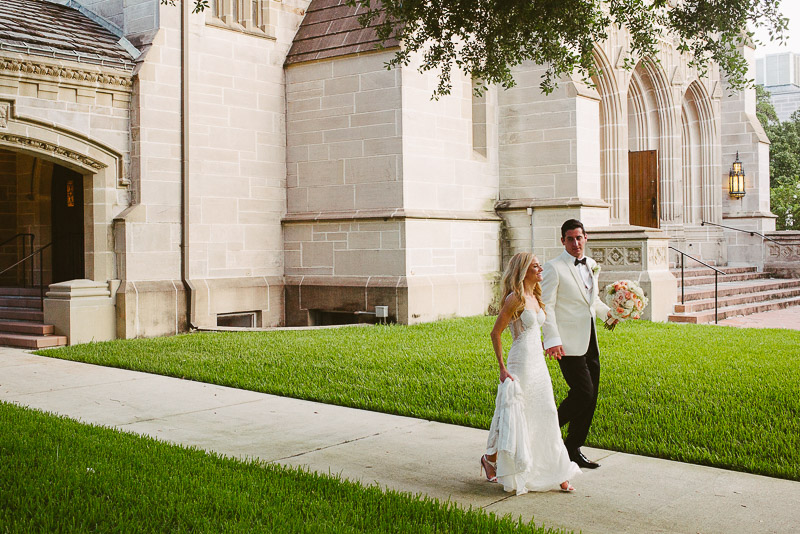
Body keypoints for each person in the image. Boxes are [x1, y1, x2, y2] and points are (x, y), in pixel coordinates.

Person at [480, 252, 581, 495]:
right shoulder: (515, 299)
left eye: (540, 266)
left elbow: (539, 329)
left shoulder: (537, 297)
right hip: (520, 362)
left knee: (546, 412)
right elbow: (496, 333)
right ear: (524, 271)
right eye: (536, 267)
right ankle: (491, 459)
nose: (540, 270)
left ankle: (559, 471)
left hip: (538, 363)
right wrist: (502, 368)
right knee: (515, 415)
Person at [541, 219, 616, 469]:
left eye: (579, 238)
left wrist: (610, 315)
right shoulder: (554, 268)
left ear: (586, 238)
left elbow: (589, 302)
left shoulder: (592, 265)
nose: (575, 243)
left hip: (590, 339)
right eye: (570, 239)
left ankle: (573, 447)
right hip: (567, 343)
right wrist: (552, 340)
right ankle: (544, 432)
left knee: (591, 397)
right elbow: (546, 306)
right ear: (562, 240)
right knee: (583, 393)